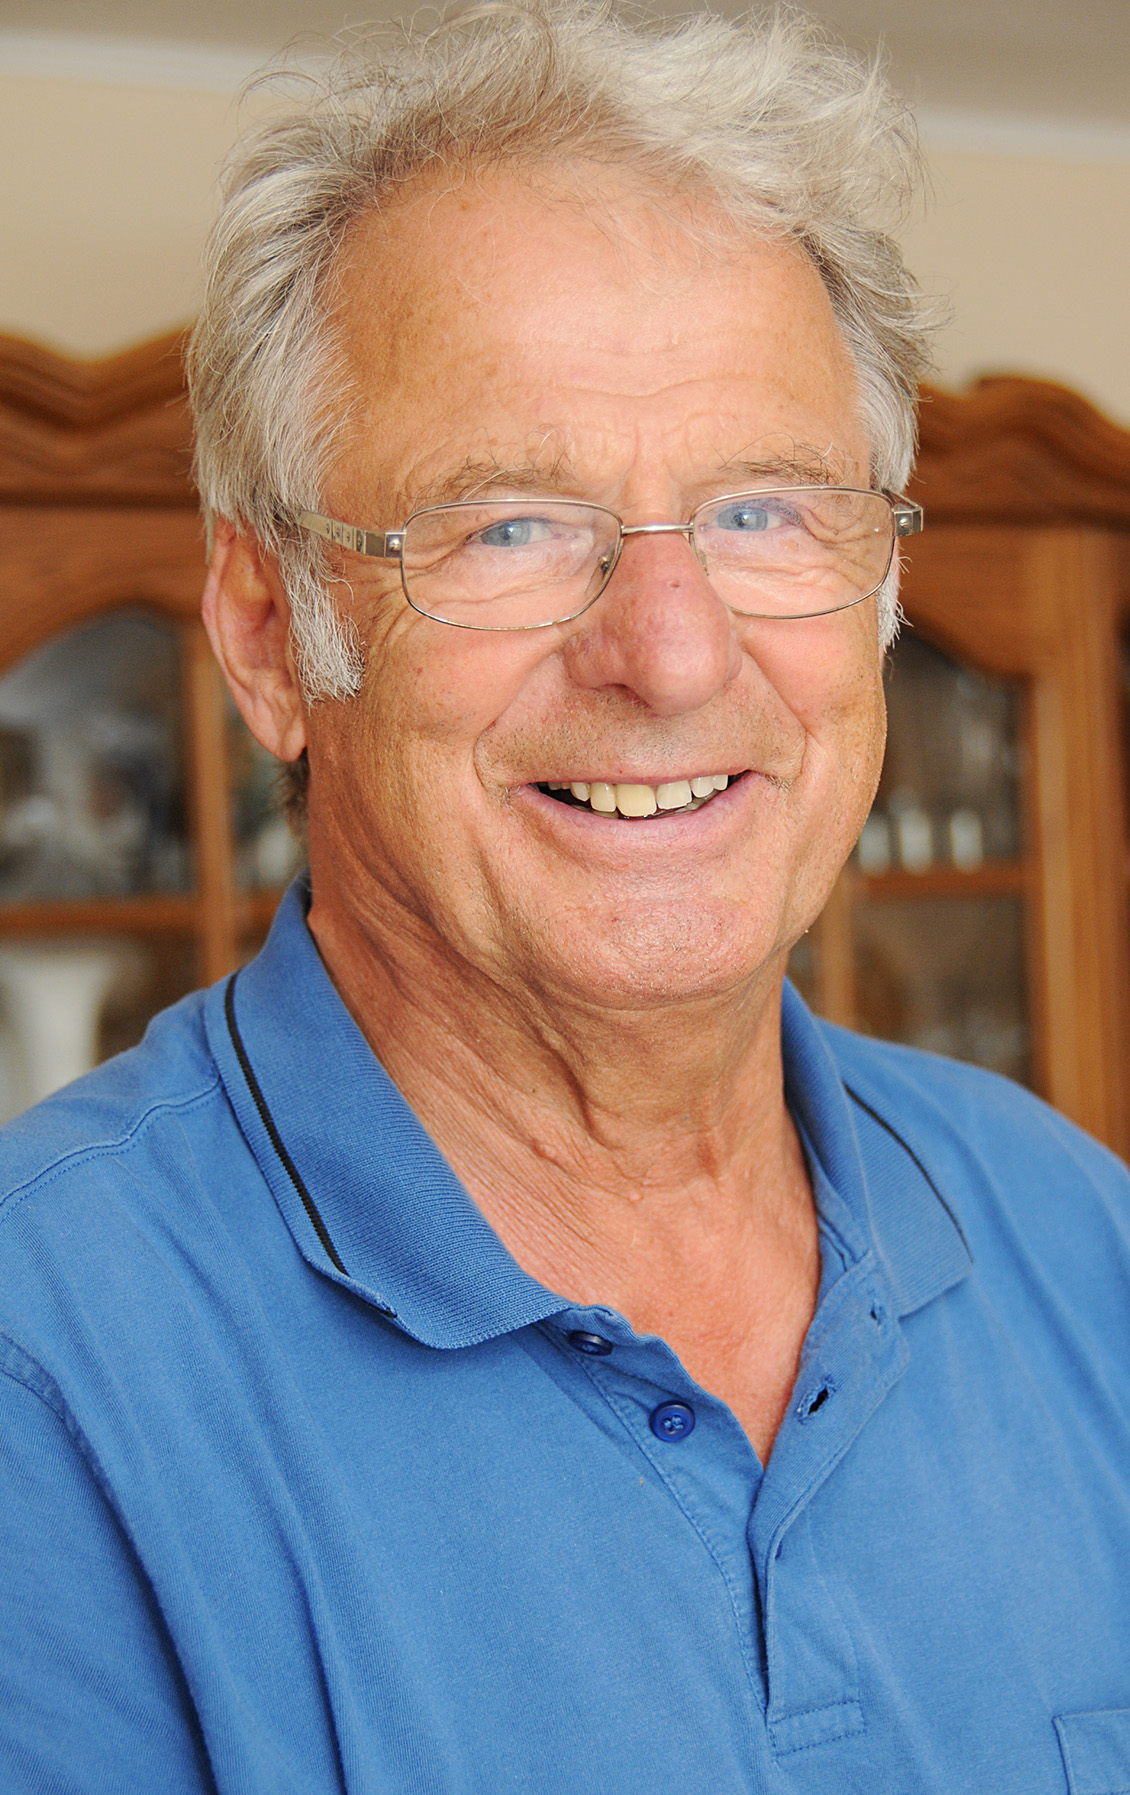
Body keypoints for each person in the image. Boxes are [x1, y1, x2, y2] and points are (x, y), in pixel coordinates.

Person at [2, 4, 1130, 1790]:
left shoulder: (1076, 1234)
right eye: (509, 525)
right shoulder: (47, 1364)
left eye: (764, 510)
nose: (668, 655)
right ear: (270, 638)